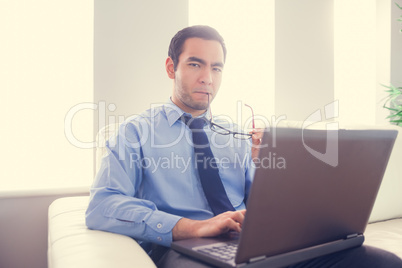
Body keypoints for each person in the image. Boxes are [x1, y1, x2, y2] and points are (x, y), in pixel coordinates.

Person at [86, 25, 402, 267]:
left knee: (382, 262)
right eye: (196, 64)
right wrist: (192, 228)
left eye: (216, 67)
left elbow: (264, 205)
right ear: (172, 68)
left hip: (249, 243)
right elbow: (102, 206)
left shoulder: (236, 135)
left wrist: (272, 169)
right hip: (183, 248)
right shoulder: (134, 132)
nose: (207, 78)